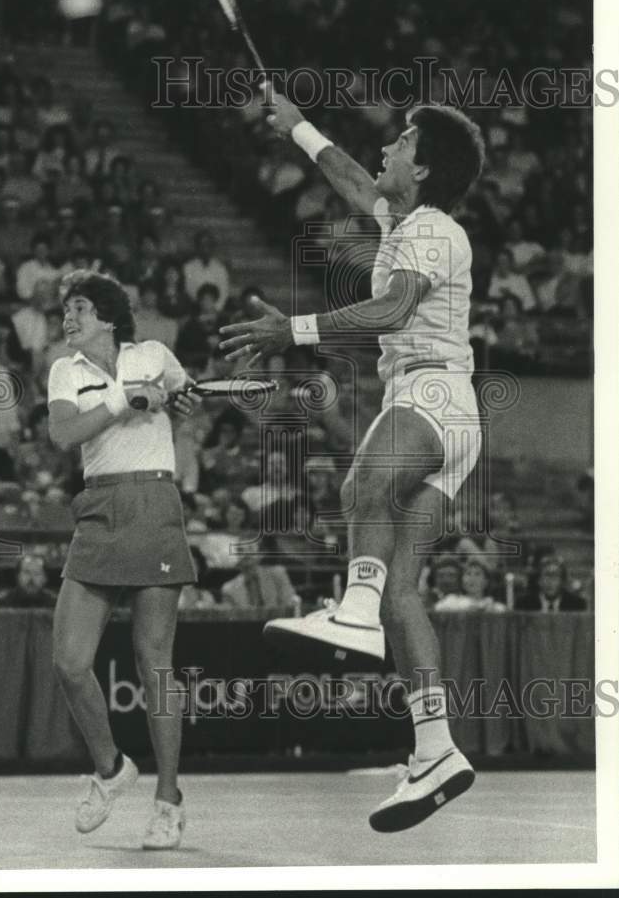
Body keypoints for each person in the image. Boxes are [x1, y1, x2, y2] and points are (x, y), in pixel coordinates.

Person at [219, 87, 486, 831]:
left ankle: (354, 612)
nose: (388, 148)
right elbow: (350, 177)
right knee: (406, 592)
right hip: (447, 416)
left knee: (362, 483)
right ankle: (435, 747)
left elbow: (395, 310)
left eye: (402, 142)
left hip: (431, 392)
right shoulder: (401, 216)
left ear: (425, 169)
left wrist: (294, 331)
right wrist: (295, 126)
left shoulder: (433, 232)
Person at [47, 270, 200, 850]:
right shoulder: (66, 370)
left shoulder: (154, 354)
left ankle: (168, 799)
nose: (68, 318)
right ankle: (112, 769)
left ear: (108, 317)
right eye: (65, 310)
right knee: (68, 660)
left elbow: (186, 403)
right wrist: (123, 399)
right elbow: (64, 435)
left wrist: (174, 400)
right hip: (100, 509)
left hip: (155, 503)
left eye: (79, 308)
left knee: (154, 661)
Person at [515, 556, 587, 612]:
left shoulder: (577, 605)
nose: (550, 581)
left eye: (555, 576)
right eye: (547, 575)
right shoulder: (523, 605)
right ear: (539, 580)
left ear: (562, 581)